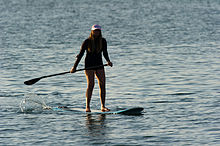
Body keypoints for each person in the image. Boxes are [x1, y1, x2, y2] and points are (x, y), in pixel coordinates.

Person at [70, 24, 113, 112]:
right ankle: (87, 107)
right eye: (95, 31)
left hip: (99, 65)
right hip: (89, 66)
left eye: (98, 31)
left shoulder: (103, 41)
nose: (96, 32)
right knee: (91, 85)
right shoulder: (87, 41)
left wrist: (108, 61)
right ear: (92, 31)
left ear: (100, 32)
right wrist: (74, 67)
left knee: (102, 85)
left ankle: (103, 106)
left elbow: (105, 53)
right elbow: (80, 55)